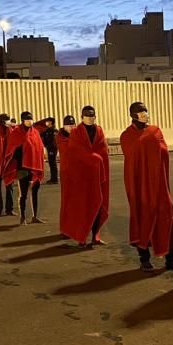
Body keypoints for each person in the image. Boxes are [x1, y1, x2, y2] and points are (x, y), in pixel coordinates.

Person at [120, 101, 173, 272]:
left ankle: (170, 258)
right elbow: (131, 161)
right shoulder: (127, 136)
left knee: (166, 215)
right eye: (140, 111)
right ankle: (144, 258)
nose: (144, 113)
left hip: (159, 183)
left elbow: (164, 151)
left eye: (145, 110)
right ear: (132, 115)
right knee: (142, 218)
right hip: (140, 185)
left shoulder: (155, 131)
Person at [61, 105, 110, 247]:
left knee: (99, 205)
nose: (90, 118)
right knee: (84, 208)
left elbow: (103, 150)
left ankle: (95, 236)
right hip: (83, 177)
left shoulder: (99, 130)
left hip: (98, 175)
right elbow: (75, 152)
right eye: (87, 115)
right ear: (82, 117)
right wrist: (93, 158)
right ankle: (81, 237)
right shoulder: (76, 132)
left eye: (92, 115)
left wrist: (98, 162)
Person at [3, 111, 46, 224]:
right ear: (22, 120)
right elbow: (11, 149)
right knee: (23, 194)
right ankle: (23, 217)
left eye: (31, 119)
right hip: (22, 167)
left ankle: (34, 216)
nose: (29, 121)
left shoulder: (35, 132)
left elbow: (39, 147)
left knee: (35, 191)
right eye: (27, 119)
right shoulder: (16, 133)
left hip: (35, 167)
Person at [57, 115, 75, 237]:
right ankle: (66, 228)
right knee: (67, 201)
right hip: (66, 172)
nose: (71, 127)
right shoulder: (60, 137)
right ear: (64, 126)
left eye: (73, 125)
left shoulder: (77, 134)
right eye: (68, 125)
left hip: (77, 172)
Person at [35, 117, 59, 184]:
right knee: (51, 164)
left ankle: (54, 179)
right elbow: (40, 134)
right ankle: (53, 178)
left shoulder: (53, 131)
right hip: (49, 148)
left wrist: (52, 150)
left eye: (48, 122)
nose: (46, 123)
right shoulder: (48, 130)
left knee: (53, 164)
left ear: (51, 122)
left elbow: (54, 141)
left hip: (52, 149)